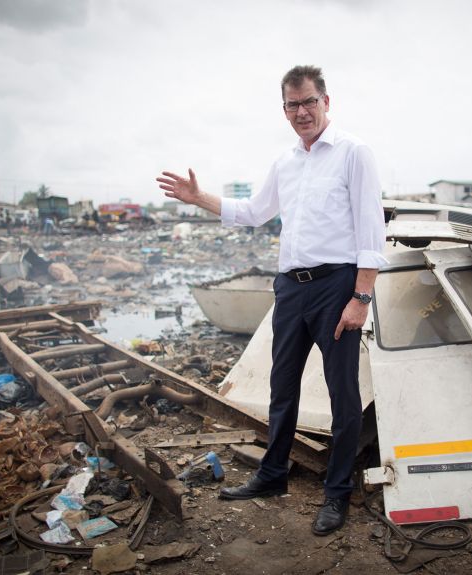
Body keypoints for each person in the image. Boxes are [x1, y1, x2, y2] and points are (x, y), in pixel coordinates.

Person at [157, 65, 387, 536]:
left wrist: (361, 296)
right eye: (292, 105)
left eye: (309, 102)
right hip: (290, 288)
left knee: (343, 395)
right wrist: (200, 197)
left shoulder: (353, 153)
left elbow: (371, 231)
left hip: (337, 287)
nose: (302, 112)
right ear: (283, 110)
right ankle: (272, 475)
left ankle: (337, 494)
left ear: (327, 101)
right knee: (281, 387)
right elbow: (254, 212)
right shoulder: (286, 162)